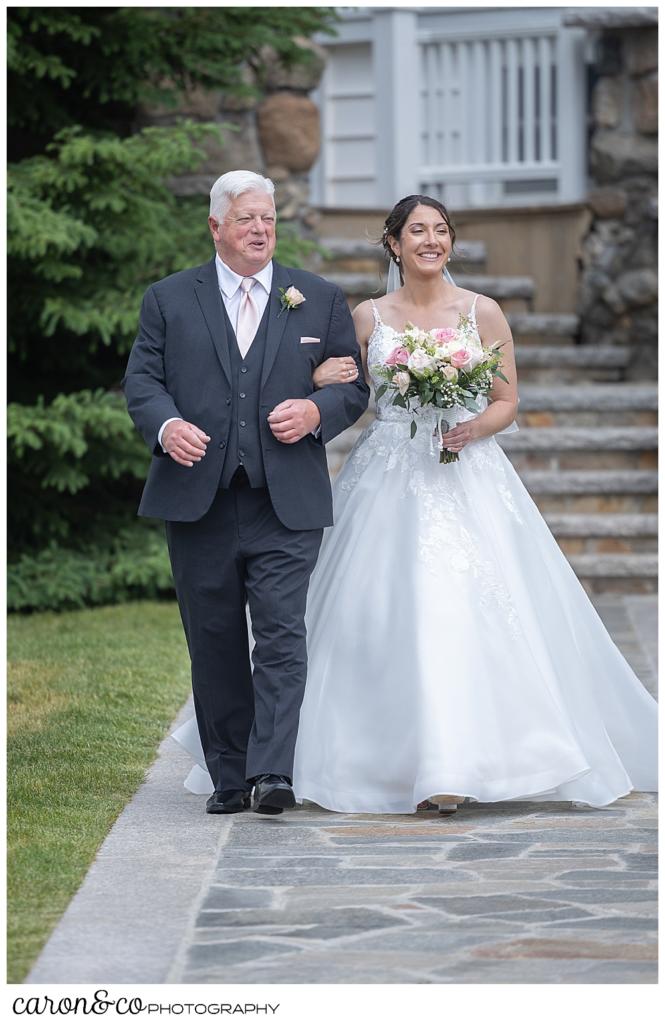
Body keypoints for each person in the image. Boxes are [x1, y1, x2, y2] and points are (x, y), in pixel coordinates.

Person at [290, 193, 658, 814]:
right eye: (417, 231)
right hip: (388, 471)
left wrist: (471, 430)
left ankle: (465, 763)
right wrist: (321, 377)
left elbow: (506, 401)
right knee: (375, 608)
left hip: (468, 470)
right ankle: (381, 757)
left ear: (450, 242)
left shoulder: (482, 312)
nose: (430, 241)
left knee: (469, 607)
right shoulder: (367, 317)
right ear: (393, 244)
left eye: (440, 231)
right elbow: (344, 384)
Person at [123, 170, 369, 816]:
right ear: (215, 228)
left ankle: (272, 774)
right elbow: (142, 382)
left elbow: (352, 386)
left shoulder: (315, 297)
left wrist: (317, 412)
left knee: (283, 634)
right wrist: (167, 425)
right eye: (246, 220)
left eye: (267, 219)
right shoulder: (170, 300)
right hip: (197, 500)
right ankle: (229, 774)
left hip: (283, 500)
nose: (260, 229)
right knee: (214, 638)